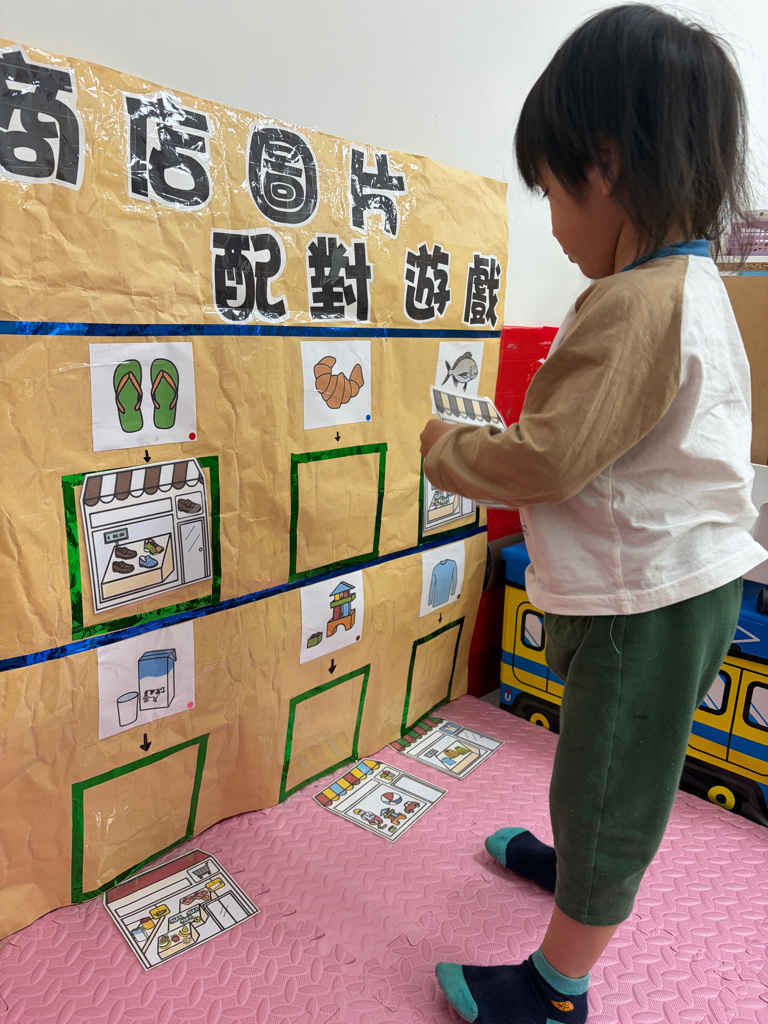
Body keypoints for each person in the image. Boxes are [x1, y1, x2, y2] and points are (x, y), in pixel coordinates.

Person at [419, 6, 767, 1023]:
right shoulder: (687, 285)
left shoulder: (636, 305)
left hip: (643, 599)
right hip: (655, 585)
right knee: (597, 758)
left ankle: (557, 986)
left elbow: (549, 457)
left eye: (551, 194)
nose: (554, 228)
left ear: (605, 165)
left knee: (611, 786)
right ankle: (573, 870)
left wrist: (446, 450)